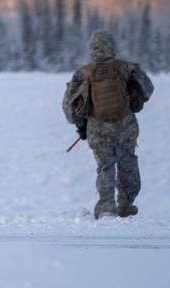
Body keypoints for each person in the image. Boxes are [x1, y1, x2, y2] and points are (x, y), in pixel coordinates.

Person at [63, 29, 154, 219]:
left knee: (105, 167)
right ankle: (125, 205)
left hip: (97, 129)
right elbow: (148, 89)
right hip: (125, 126)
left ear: (91, 48)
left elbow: (68, 107)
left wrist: (81, 125)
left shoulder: (83, 73)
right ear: (113, 47)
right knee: (127, 163)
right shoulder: (126, 67)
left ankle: (106, 208)